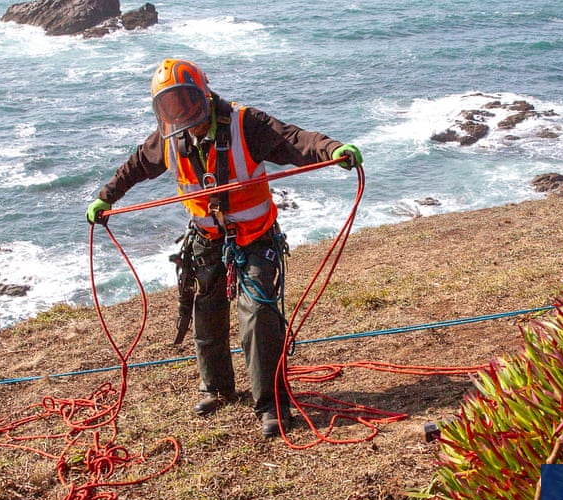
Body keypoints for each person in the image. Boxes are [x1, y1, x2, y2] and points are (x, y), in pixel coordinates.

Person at [86, 59, 362, 439]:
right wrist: (106, 198)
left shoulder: (245, 123)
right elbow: (136, 166)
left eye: (186, 101)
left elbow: (295, 140)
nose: (182, 112)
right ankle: (216, 387)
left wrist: (332, 150)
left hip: (255, 238)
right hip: (206, 241)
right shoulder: (168, 137)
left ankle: (272, 405)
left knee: (258, 316)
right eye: (171, 105)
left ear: (203, 94)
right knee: (205, 311)